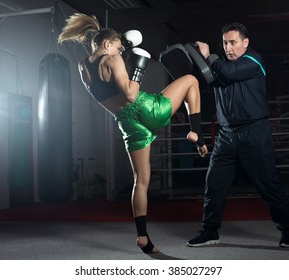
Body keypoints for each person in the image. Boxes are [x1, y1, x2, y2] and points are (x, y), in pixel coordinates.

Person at [58, 13, 208, 254]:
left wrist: (127, 55)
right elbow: (129, 93)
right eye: (117, 46)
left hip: (127, 122)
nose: (120, 50)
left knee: (141, 181)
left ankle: (143, 236)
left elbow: (104, 91)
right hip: (145, 109)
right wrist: (139, 67)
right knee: (190, 80)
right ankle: (197, 133)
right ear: (107, 45)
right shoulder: (113, 59)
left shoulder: (82, 66)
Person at [187, 22, 289, 248]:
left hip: (254, 132)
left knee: (268, 184)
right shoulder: (220, 66)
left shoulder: (254, 61)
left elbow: (229, 72)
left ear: (245, 43)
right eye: (225, 43)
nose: (229, 47)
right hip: (227, 135)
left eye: (233, 42)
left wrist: (210, 56)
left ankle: (286, 229)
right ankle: (209, 231)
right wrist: (194, 56)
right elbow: (201, 79)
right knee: (214, 184)